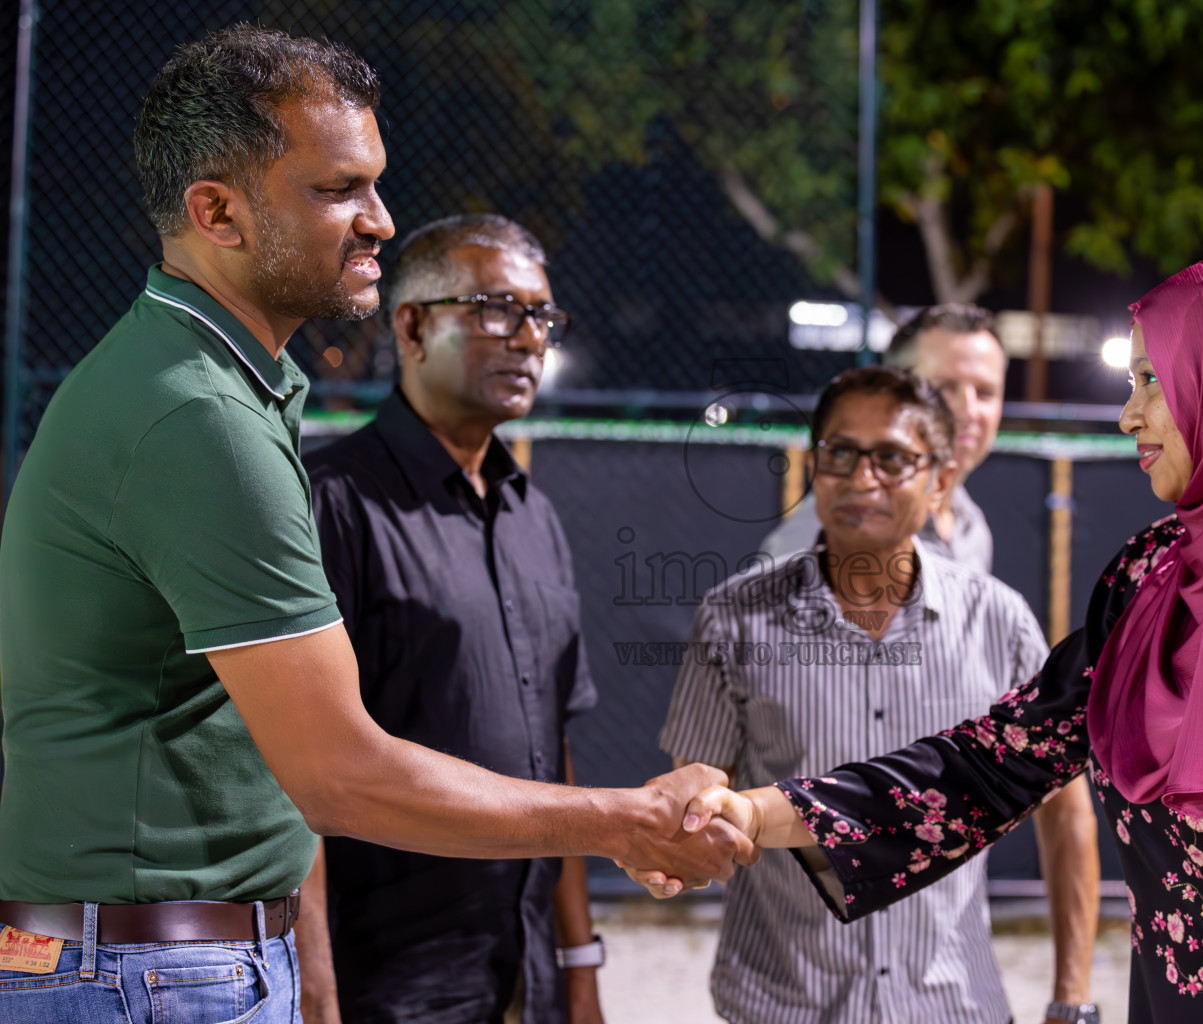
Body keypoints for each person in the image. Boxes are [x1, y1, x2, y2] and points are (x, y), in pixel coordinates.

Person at [0, 26, 749, 1022]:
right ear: (216, 211)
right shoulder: (196, 416)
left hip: (149, 958)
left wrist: (576, 947)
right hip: (153, 969)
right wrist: (627, 819)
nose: (382, 221)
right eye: (338, 189)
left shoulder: (206, 387)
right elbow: (341, 773)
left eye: (377, 185)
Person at [640, 253, 1203, 1021]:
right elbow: (994, 760)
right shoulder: (1156, 583)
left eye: (1153, 382)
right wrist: (758, 812)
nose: (1128, 416)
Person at [660, 365, 1048, 1023]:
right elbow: (699, 808)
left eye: (892, 458)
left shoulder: (1000, 621)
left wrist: (1070, 993)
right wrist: (675, 843)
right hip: (783, 1003)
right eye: (841, 453)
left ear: (941, 480)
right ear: (814, 467)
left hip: (950, 1002)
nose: (862, 477)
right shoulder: (733, 616)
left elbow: (1064, 817)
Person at [299, 214, 603, 1024]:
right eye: (496, 309)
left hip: (526, 976)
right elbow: (292, 772)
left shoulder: (534, 514)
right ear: (411, 324)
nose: (528, 338)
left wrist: (579, 964)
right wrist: (314, 988)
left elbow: (556, 752)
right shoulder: (332, 503)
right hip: (387, 984)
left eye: (541, 316)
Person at [764, 305, 1101, 1023]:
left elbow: (1053, 778)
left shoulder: (968, 530)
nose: (969, 410)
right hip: (833, 976)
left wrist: (1073, 996)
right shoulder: (810, 556)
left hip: (945, 965)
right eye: (944, 387)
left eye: (987, 389)